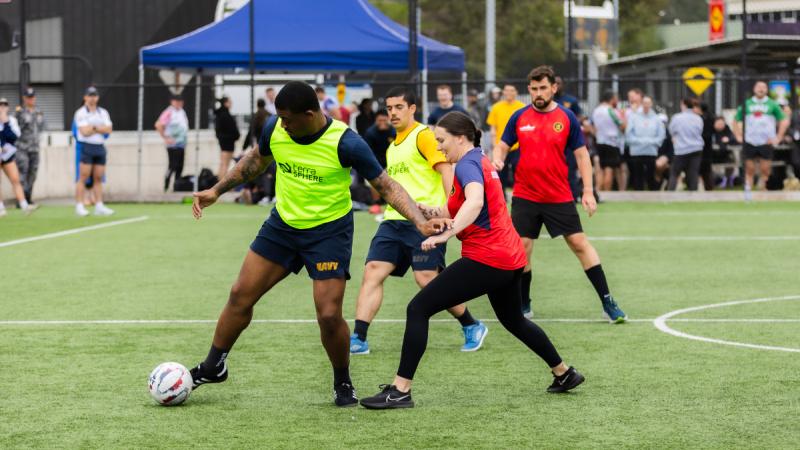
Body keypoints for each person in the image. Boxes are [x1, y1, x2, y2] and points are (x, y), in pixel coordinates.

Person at [188, 81, 441, 407]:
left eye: (288, 119)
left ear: (310, 114)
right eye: (279, 118)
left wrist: (420, 222)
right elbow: (255, 160)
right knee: (240, 295)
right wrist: (217, 190)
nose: (283, 124)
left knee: (328, 314)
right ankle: (213, 366)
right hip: (283, 226)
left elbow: (387, 186)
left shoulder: (347, 142)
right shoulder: (275, 128)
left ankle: (342, 379)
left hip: (328, 233)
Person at [359, 112, 584, 409]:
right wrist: (430, 211)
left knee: (418, 308)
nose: (438, 147)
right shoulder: (477, 160)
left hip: (489, 258)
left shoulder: (466, 164)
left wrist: (446, 234)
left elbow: (475, 202)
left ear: (460, 137)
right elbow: (465, 206)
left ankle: (400, 391)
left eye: (442, 140)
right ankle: (564, 373)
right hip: (509, 256)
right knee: (514, 320)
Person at [350, 87, 487, 356]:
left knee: (426, 278)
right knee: (373, 270)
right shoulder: (392, 146)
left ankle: (471, 325)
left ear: (412, 108)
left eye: (399, 107)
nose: (393, 113)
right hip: (393, 220)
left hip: (426, 220)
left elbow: (447, 170)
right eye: (389, 108)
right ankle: (359, 337)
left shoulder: (424, 136)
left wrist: (450, 209)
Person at [491, 66, 626, 323]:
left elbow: (582, 155)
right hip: (525, 195)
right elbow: (502, 146)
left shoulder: (567, 118)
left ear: (554, 88)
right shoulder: (519, 117)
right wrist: (498, 159)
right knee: (523, 247)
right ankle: (524, 302)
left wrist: (588, 191)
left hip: (559, 195)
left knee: (579, 243)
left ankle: (608, 301)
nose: (538, 93)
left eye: (543, 88)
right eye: (533, 89)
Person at [734, 80, 789, 195]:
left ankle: (763, 191)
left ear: (767, 90)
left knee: (765, 169)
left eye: (763, 87)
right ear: (754, 89)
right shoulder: (747, 104)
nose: (761, 89)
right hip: (750, 140)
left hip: (766, 141)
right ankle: (748, 193)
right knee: (749, 169)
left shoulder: (772, 104)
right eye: (759, 87)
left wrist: (778, 137)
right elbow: (736, 120)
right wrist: (738, 135)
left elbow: (784, 120)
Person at [74, 86, 114, 216]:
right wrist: (99, 128)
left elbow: (108, 129)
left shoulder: (103, 112)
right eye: (90, 95)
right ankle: (79, 205)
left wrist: (94, 128)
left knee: (98, 177)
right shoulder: (81, 113)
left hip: (99, 146)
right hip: (87, 147)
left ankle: (99, 205)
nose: (92, 98)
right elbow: (84, 132)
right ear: (85, 97)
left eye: (94, 96)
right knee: (83, 177)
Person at [0, 97, 37, 217]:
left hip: (7, 154)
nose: (2, 107)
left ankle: (24, 205)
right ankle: (0, 207)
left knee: (15, 179)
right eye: (1, 104)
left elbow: (14, 136)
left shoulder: (11, 120)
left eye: (5, 104)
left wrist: (5, 122)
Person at [486, 84, 526, 193]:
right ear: (503, 92)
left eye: (511, 90)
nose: (509, 93)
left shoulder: (522, 107)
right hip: (501, 146)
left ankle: (519, 195)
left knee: (518, 172)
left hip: (518, 147)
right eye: (506, 90)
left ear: (516, 92)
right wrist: (494, 145)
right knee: (499, 173)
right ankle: (501, 198)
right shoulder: (496, 107)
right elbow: (493, 128)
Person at [625, 96, 665, 191]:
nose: (646, 105)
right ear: (642, 104)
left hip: (651, 152)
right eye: (644, 103)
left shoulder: (656, 118)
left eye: (648, 103)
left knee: (650, 175)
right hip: (636, 152)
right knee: (637, 175)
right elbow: (629, 134)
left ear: (651, 104)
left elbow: (661, 135)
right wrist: (642, 142)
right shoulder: (634, 117)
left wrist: (650, 142)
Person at [14, 87, 45, 205]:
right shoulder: (19, 112)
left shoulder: (39, 112)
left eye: (32, 97)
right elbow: (15, 129)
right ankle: (21, 200)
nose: (31, 100)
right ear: (24, 98)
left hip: (35, 148)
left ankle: (28, 197)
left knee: (33, 173)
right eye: (28, 97)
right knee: (23, 172)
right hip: (22, 148)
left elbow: (41, 128)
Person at [667, 97, 705, 191]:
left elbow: (671, 130)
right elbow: (700, 131)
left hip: (681, 149)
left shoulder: (677, 118)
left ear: (684, 105)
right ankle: (693, 195)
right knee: (693, 173)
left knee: (674, 173)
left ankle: (669, 193)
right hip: (696, 149)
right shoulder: (698, 118)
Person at [591, 90, 624, 191]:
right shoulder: (611, 111)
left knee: (600, 169)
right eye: (616, 98)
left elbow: (591, 127)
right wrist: (623, 115)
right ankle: (607, 193)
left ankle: (599, 191)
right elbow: (622, 126)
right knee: (609, 169)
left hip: (599, 142)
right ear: (612, 99)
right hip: (611, 143)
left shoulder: (596, 111)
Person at [155, 94, 189, 192]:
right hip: (173, 145)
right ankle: (166, 187)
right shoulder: (169, 112)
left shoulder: (182, 112)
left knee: (180, 166)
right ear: (172, 102)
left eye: (180, 102)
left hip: (181, 144)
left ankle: (176, 187)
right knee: (172, 165)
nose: (179, 104)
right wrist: (166, 138)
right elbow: (158, 125)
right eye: (176, 101)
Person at [214, 96, 240, 180]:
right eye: (229, 102)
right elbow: (231, 129)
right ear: (225, 103)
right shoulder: (225, 115)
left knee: (223, 163)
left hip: (224, 141)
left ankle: (219, 182)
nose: (231, 103)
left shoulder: (220, 114)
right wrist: (235, 136)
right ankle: (221, 183)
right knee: (225, 164)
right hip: (227, 142)